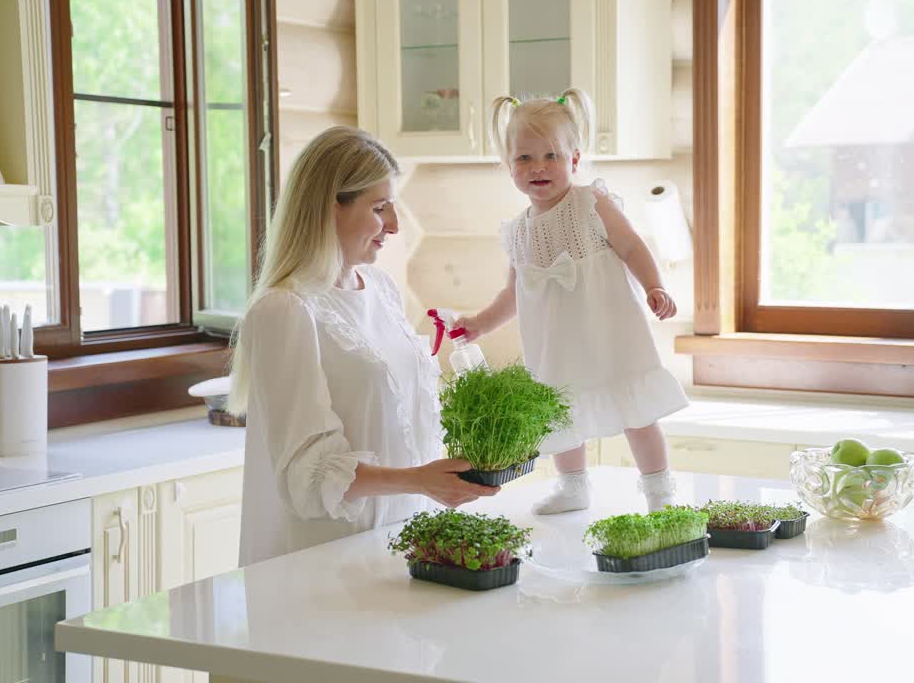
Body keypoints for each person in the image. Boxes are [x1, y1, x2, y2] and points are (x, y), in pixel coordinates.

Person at [228, 126, 498, 566]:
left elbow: (403, 419)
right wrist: (418, 480)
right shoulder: (285, 310)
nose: (392, 225)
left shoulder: (379, 288)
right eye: (379, 208)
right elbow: (307, 477)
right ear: (329, 206)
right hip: (325, 569)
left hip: (404, 545)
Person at [456, 89, 688, 515]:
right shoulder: (517, 232)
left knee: (636, 412)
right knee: (561, 417)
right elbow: (513, 294)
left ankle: (659, 490)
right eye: (524, 158)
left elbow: (632, 246)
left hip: (608, 334)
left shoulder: (590, 204)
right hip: (557, 344)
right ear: (509, 167)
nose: (538, 167)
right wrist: (479, 324)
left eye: (551, 156)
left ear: (574, 161)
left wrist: (656, 286)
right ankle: (573, 487)